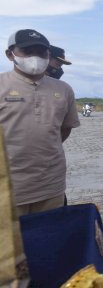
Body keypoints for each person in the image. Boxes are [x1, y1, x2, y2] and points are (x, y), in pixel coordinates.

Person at [0, 29, 80, 216]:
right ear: (10, 54)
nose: (35, 57)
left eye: (41, 52)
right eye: (28, 52)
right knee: (10, 245)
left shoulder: (63, 89)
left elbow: (64, 129)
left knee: (49, 241)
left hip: (50, 186)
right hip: (8, 189)